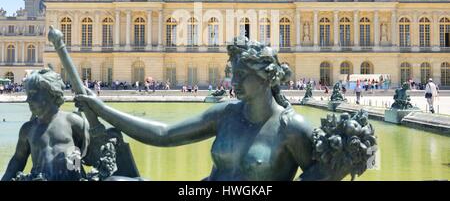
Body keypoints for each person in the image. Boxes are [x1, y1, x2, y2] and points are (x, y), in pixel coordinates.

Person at [76, 37, 349, 181]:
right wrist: (102, 109)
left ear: (267, 77)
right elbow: (163, 135)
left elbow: (324, 173)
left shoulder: (292, 128)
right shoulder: (227, 113)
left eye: (242, 74)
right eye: (233, 73)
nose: (234, 81)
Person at [1, 69, 89, 181]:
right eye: (28, 94)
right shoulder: (28, 129)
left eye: (33, 94)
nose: (28, 100)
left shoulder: (72, 121)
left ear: (51, 93)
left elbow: (90, 155)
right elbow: (18, 160)